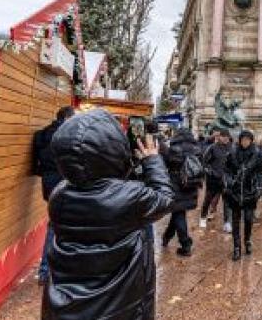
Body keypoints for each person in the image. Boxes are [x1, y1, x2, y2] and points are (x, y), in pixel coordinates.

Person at [42, 109, 175, 320]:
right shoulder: (128, 196)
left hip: (66, 306)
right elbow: (165, 198)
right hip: (120, 307)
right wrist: (152, 160)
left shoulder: (60, 195)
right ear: (112, 150)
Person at [32, 106, 75, 285]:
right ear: (67, 118)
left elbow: (36, 162)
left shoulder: (42, 134)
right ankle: (50, 270)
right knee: (61, 227)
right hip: (64, 185)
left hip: (48, 186)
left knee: (56, 225)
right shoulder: (67, 136)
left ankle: (46, 271)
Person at [224, 130, 262, 261]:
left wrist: (259, 188)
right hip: (235, 192)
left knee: (248, 219)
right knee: (235, 221)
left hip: (250, 192)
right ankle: (236, 247)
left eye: (247, 139)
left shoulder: (257, 154)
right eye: (243, 139)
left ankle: (247, 240)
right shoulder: (233, 153)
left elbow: (261, 173)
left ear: (251, 141)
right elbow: (227, 171)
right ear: (240, 140)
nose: (245, 142)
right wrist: (228, 183)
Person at [163, 128, 201, 256]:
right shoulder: (196, 149)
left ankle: (185, 244)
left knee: (178, 213)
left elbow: (165, 163)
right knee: (178, 211)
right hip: (191, 184)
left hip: (176, 184)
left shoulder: (173, 149)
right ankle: (167, 236)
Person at [200, 129, 233, 229]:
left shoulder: (232, 148)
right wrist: (210, 172)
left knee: (227, 202)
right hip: (213, 180)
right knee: (207, 200)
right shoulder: (212, 148)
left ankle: (227, 222)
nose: (225, 138)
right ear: (219, 137)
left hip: (226, 179)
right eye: (223, 136)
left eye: (227, 136)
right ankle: (203, 217)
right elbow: (204, 162)